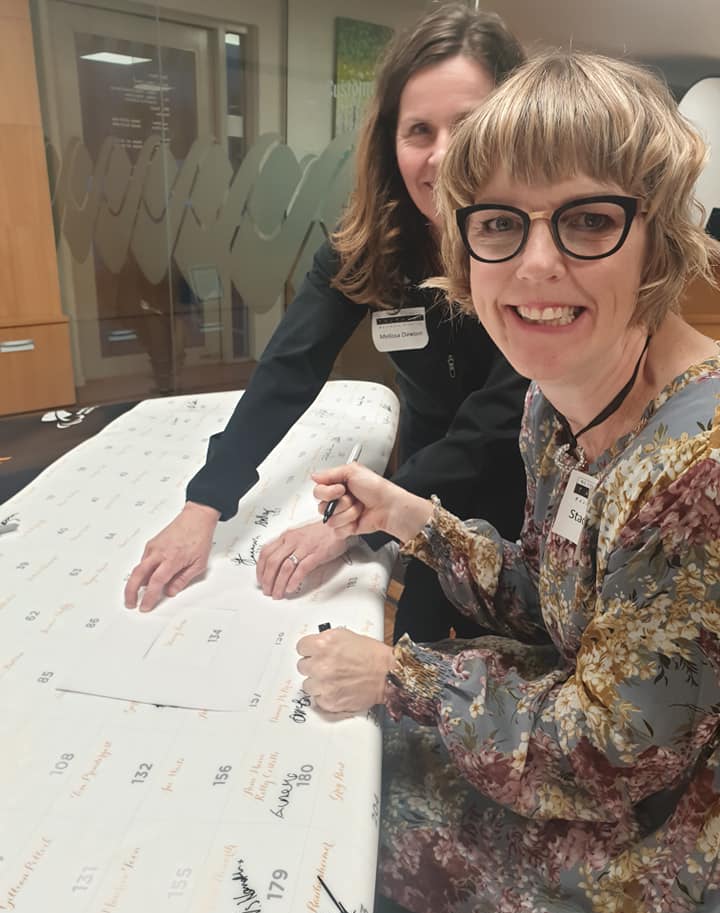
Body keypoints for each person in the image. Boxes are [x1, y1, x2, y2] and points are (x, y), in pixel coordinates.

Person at [297, 52, 720, 913]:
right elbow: (559, 595)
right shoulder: (556, 400)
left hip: (661, 859)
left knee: (339, 814)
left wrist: (400, 679)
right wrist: (412, 518)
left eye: (590, 220)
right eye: (498, 224)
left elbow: (610, 756)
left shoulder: (699, 467)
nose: (535, 266)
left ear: (661, 238)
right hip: (605, 768)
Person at [123, 3, 529, 645]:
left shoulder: (537, 253)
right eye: (419, 131)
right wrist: (206, 500)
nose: (444, 156)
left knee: (512, 678)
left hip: (520, 497)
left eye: (471, 125)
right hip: (422, 494)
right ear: (391, 143)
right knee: (412, 655)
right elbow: (291, 366)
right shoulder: (370, 246)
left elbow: (505, 412)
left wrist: (355, 522)